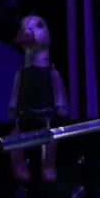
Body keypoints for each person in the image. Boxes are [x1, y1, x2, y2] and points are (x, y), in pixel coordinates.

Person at [8, 14, 68, 183]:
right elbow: (17, 89)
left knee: (49, 137)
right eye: (26, 26)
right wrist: (13, 107)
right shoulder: (21, 73)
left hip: (45, 116)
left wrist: (61, 105)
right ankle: (18, 163)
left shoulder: (52, 73)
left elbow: (58, 90)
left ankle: (48, 164)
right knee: (16, 135)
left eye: (37, 26)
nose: (29, 30)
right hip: (24, 115)